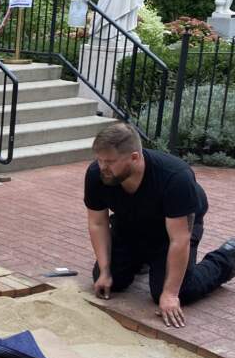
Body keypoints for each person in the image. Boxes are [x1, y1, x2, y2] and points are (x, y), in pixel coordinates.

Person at [84, 122, 235, 328]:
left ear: (134, 158)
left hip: (172, 228)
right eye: (99, 160)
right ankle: (145, 260)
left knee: (176, 291)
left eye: (109, 161)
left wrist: (171, 294)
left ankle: (228, 256)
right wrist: (104, 270)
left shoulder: (175, 177)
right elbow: (98, 223)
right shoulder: (97, 175)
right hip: (130, 222)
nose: (102, 167)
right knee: (111, 280)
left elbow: (179, 239)